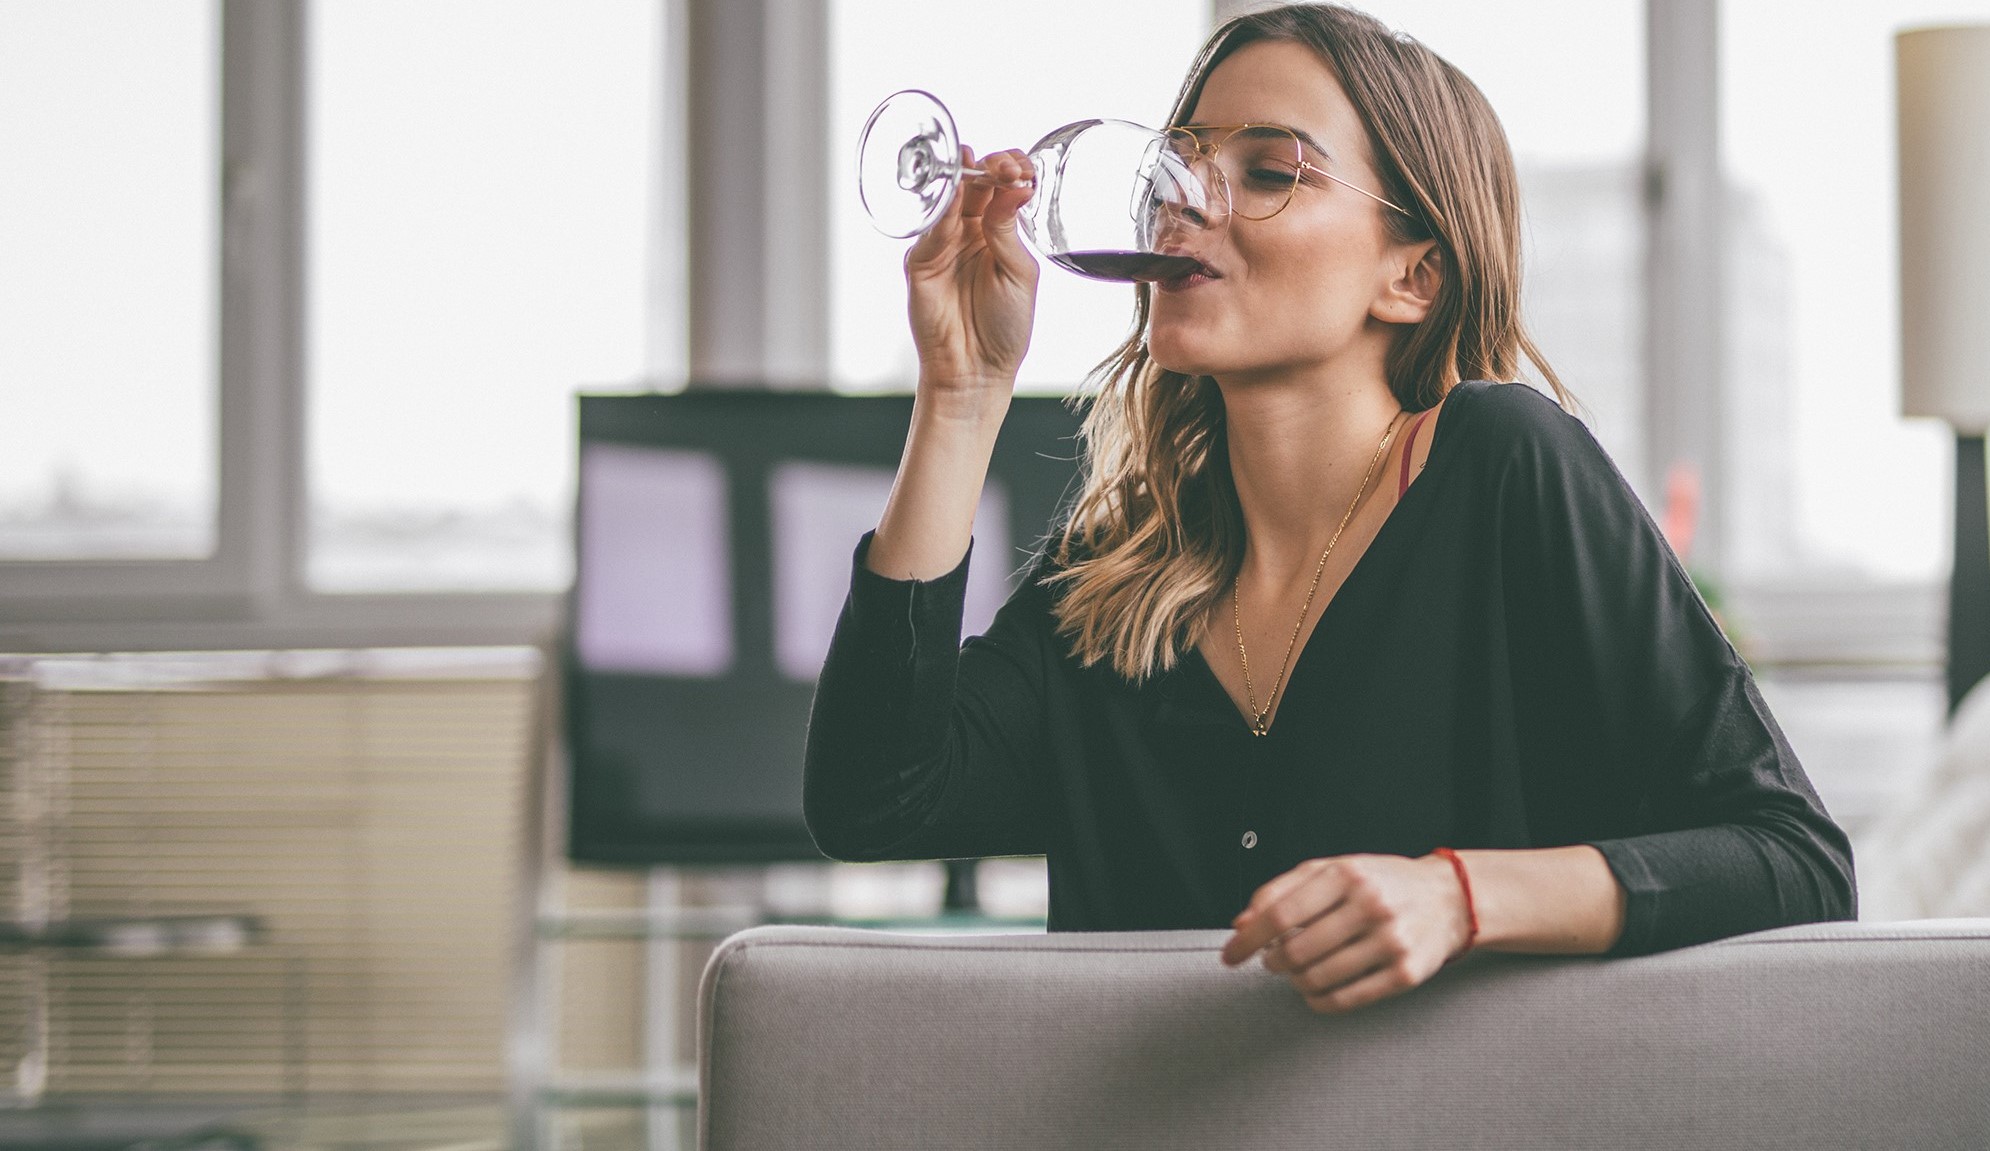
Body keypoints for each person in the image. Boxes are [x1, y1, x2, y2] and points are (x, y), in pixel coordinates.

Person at [803, 2, 1855, 1013]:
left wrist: (1458, 895)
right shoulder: (1115, 570)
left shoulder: (1503, 465)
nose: (1183, 198)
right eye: (1178, 162)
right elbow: (875, 796)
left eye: (1268, 171)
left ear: (1411, 276)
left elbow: (1796, 861)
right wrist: (963, 390)